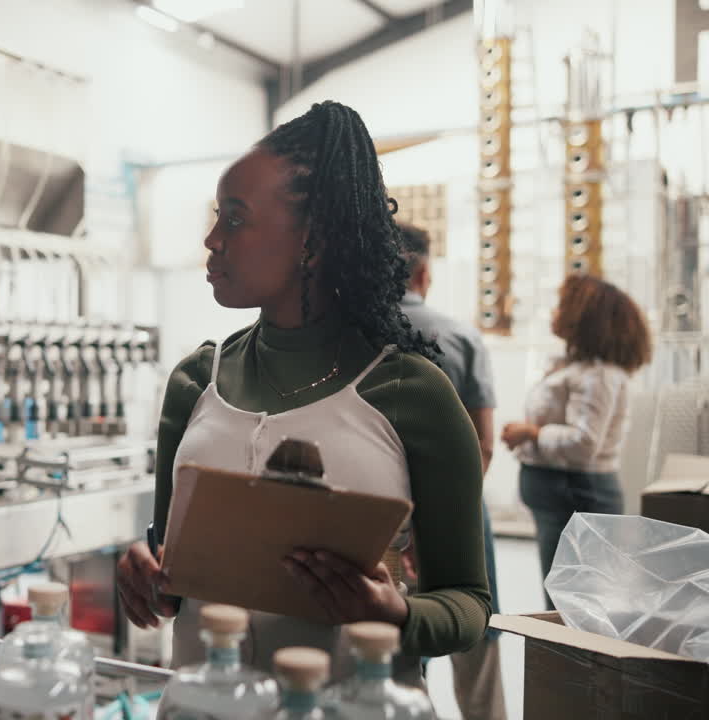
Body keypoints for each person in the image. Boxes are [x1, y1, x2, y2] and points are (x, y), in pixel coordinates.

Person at [116, 101, 491, 687]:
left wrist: (394, 613)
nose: (212, 239)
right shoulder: (196, 384)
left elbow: (468, 603)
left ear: (311, 241)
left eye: (235, 219)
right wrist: (149, 582)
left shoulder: (409, 394)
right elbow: (173, 577)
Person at [398, 224, 505, 720]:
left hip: (384, 514)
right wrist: (449, 514)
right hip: (458, 506)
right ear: (423, 272)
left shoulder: (351, 334)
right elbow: (483, 444)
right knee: (474, 628)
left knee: (395, 634)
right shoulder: (460, 336)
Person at [502, 273, 651, 607]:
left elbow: (584, 443)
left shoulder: (598, 376)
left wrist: (532, 434)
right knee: (563, 597)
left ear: (582, 317)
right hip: (565, 493)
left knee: (571, 604)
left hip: (576, 491)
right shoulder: (577, 368)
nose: (554, 313)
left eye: (561, 306)